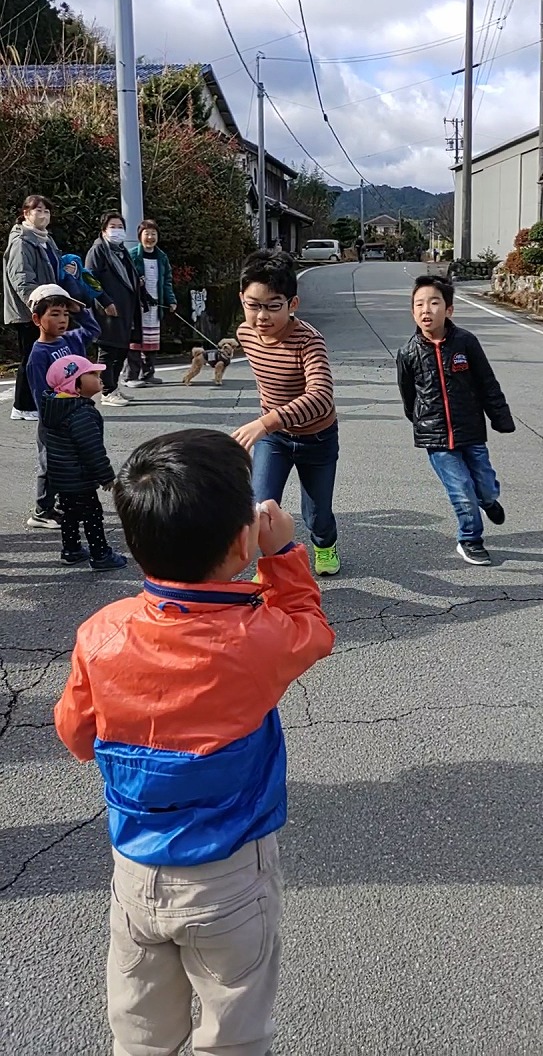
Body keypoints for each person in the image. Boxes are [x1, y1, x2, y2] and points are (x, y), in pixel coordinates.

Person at [54, 428, 334, 1056]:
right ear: (244, 541)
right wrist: (285, 551)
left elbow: (76, 736)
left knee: (141, 1029)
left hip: (135, 872)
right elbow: (313, 628)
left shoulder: (101, 632)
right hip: (231, 874)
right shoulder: (256, 638)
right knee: (232, 1030)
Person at [233, 251, 341, 576]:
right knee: (261, 508)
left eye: (272, 306)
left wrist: (266, 421)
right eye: (253, 305)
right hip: (275, 440)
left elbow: (321, 397)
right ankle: (273, 565)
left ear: (292, 304)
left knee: (317, 513)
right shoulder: (245, 334)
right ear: (241, 299)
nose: (261, 316)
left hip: (317, 438)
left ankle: (324, 544)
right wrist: (270, 425)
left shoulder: (310, 342)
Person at [396, 275, 515, 566]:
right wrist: (423, 422)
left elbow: (487, 383)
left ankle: (487, 501)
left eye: (434, 303)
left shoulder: (466, 343)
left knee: (485, 485)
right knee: (461, 490)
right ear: (413, 312)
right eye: (419, 304)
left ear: (449, 310)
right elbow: (409, 396)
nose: (426, 310)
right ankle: (470, 539)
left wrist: (500, 417)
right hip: (436, 438)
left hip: (471, 430)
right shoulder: (408, 352)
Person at [2, 194, 103, 420]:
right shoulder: (21, 242)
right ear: (25, 214)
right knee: (31, 358)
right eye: (38, 210)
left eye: (46, 211)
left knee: (43, 357)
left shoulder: (45, 239)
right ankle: (24, 406)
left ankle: (37, 403)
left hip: (48, 306)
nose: (43, 215)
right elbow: (21, 279)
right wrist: (37, 307)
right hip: (31, 310)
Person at [25, 284, 101, 531]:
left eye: (65, 314)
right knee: (49, 464)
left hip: (75, 415)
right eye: (54, 314)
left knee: (71, 462)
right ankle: (41, 510)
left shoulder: (70, 340)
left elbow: (93, 329)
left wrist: (80, 309)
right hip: (54, 420)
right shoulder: (39, 354)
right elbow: (41, 394)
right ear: (37, 319)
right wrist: (53, 421)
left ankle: (62, 502)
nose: (62, 320)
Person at [41, 355, 127, 569]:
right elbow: (92, 450)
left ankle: (71, 549)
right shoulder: (81, 414)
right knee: (92, 514)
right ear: (75, 385)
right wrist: (106, 476)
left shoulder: (55, 407)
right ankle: (100, 555)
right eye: (92, 374)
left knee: (69, 513)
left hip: (61, 475)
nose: (100, 377)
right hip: (79, 477)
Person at [85, 211, 144, 407]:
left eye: (120, 227)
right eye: (113, 227)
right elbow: (89, 279)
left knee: (120, 350)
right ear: (103, 230)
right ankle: (107, 391)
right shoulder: (98, 251)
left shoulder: (122, 251)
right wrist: (105, 301)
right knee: (108, 351)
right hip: (107, 310)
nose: (117, 231)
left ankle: (114, 387)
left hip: (125, 310)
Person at [126, 219, 177, 387]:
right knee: (135, 341)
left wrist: (171, 300)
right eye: (147, 233)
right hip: (137, 306)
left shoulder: (161, 257)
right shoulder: (132, 255)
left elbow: (167, 281)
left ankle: (148, 374)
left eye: (153, 234)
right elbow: (125, 278)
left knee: (152, 340)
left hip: (156, 305)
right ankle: (131, 376)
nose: (150, 237)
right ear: (140, 236)